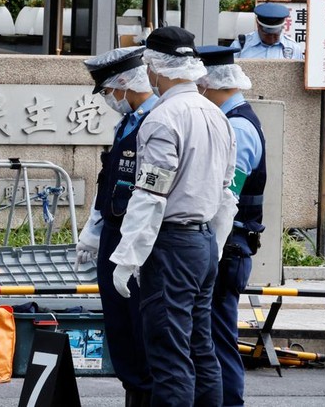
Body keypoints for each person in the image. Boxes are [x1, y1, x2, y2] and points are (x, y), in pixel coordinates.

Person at [108, 26, 238, 407]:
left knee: (169, 355)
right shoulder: (217, 115)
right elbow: (227, 193)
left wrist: (127, 256)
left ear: (155, 67)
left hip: (171, 245)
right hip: (203, 241)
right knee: (201, 349)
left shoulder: (163, 119)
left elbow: (150, 194)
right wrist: (212, 246)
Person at [77, 45, 159, 407]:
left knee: (141, 328)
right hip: (114, 232)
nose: (109, 99)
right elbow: (109, 179)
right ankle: (132, 393)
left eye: (109, 91)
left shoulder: (158, 121)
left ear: (126, 82)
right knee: (119, 325)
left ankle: (144, 396)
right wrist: (94, 231)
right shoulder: (127, 121)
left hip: (139, 238)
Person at [196, 45, 266, 407]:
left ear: (208, 82)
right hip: (231, 245)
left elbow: (226, 199)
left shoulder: (237, 126)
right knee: (212, 334)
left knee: (217, 337)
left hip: (228, 246)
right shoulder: (233, 118)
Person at [230, 2, 303, 60]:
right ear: (258, 24)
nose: (271, 38)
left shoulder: (293, 48)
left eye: (275, 34)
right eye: (267, 34)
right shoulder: (239, 46)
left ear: (282, 27)